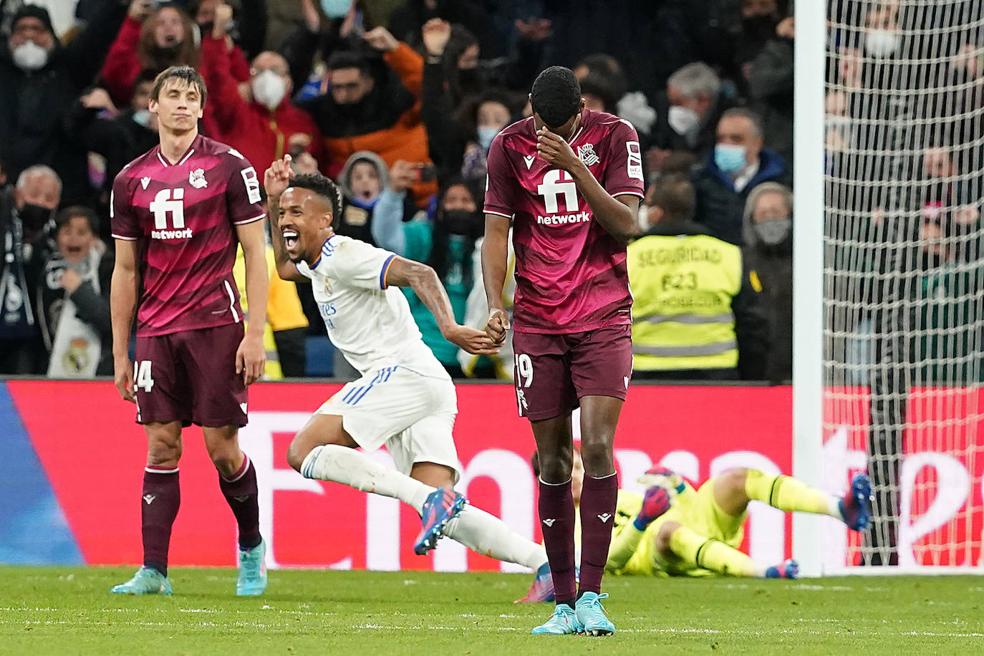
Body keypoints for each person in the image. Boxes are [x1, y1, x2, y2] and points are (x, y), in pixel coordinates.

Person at [262, 157, 553, 601]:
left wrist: (452, 329)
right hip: (427, 384)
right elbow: (285, 267)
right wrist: (272, 199)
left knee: (302, 452)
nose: (286, 221)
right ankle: (547, 565)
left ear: (325, 220)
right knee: (449, 513)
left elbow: (421, 272)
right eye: (284, 214)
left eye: (296, 213)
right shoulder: (317, 260)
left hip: (401, 373)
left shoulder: (346, 254)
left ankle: (424, 500)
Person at [482, 66, 644, 636]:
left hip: (602, 315)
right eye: (540, 120)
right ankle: (564, 603)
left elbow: (627, 224)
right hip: (537, 323)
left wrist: (576, 165)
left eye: (563, 123)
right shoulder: (507, 145)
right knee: (551, 460)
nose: (548, 130)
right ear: (529, 106)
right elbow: (497, 232)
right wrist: (494, 303)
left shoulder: (615, 135)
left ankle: (595, 597)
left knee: (597, 447)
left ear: (582, 110)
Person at [108, 66, 270, 597]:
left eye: (191, 97)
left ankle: (250, 548)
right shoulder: (130, 180)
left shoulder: (230, 167)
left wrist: (254, 334)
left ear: (201, 108)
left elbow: (254, 253)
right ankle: (153, 570)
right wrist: (119, 351)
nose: (181, 104)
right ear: (152, 106)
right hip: (156, 330)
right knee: (160, 446)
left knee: (223, 450)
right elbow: (126, 270)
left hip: (217, 325)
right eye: (172, 96)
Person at [550, 450, 874, 580]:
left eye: (578, 467)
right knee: (670, 532)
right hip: (661, 555)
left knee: (736, 478)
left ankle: (839, 508)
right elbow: (609, 562)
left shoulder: (619, 496)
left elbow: (684, 506)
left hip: (692, 524)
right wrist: (640, 523)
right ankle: (764, 572)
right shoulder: (562, 528)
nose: (577, 475)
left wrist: (677, 487)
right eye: (568, 471)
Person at [629, 175, 769, 381]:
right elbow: (752, 325)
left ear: (656, 213)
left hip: (647, 374)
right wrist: (749, 379)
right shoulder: (729, 255)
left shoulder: (630, 256)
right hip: (717, 373)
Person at [0, 3, 127, 204]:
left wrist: (118, 6)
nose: (29, 36)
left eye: (37, 29)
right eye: (21, 29)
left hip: (64, 195)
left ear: (51, 35)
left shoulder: (69, 69)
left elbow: (97, 36)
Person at [373, 177, 485, 378]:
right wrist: (393, 192)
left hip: (478, 357)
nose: (458, 206)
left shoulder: (490, 246)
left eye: (466, 200)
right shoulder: (423, 235)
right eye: (451, 200)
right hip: (426, 353)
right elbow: (386, 236)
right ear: (440, 207)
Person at [37, 206, 114, 377]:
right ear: (57, 240)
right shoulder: (46, 272)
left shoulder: (109, 269)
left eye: (81, 232)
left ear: (94, 239)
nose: (73, 238)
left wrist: (80, 291)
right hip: (51, 370)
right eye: (67, 231)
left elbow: (113, 322)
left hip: (101, 371)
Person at [693, 108, 788, 246]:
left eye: (736, 139)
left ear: (757, 143)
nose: (727, 145)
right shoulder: (700, 181)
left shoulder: (781, 180)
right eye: (721, 139)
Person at [0, 165, 62, 374]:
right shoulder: (3, 227)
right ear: (17, 195)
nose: (40, 203)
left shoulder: (60, 239)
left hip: (34, 337)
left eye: (49, 197)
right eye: (34, 194)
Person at [742, 182, 793, 383]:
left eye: (776, 212)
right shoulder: (740, 261)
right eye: (763, 214)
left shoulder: (810, 262)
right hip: (752, 374)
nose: (770, 219)